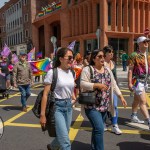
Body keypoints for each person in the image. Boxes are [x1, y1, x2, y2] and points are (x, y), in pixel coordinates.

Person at [80, 49, 126, 150]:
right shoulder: (88, 69)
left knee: (97, 129)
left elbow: (113, 84)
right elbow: (82, 83)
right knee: (100, 129)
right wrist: (96, 85)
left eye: (103, 56)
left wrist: (121, 96)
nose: (102, 58)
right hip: (91, 105)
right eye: (99, 56)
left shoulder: (107, 70)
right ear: (93, 58)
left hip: (105, 105)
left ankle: (93, 147)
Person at [40, 47, 76, 150]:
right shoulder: (53, 72)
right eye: (69, 57)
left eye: (72, 58)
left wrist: (73, 98)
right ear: (60, 59)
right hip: (57, 107)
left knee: (65, 133)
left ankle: (52, 146)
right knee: (66, 142)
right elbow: (45, 94)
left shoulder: (71, 73)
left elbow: (71, 88)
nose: (71, 60)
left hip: (68, 106)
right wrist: (43, 115)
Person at [103, 45, 127, 135]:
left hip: (113, 88)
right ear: (105, 54)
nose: (112, 54)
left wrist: (118, 90)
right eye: (109, 52)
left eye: (112, 52)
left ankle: (114, 125)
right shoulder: (102, 63)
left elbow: (115, 76)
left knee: (115, 106)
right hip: (104, 89)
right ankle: (103, 123)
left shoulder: (113, 62)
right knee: (104, 107)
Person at [128, 36, 150, 129]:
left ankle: (133, 115)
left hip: (145, 81)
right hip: (137, 81)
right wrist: (129, 83)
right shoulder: (134, 55)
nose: (147, 43)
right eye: (144, 41)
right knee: (143, 101)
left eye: (147, 41)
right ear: (139, 43)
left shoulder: (148, 55)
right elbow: (130, 70)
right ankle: (148, 121)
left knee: (136, 100)